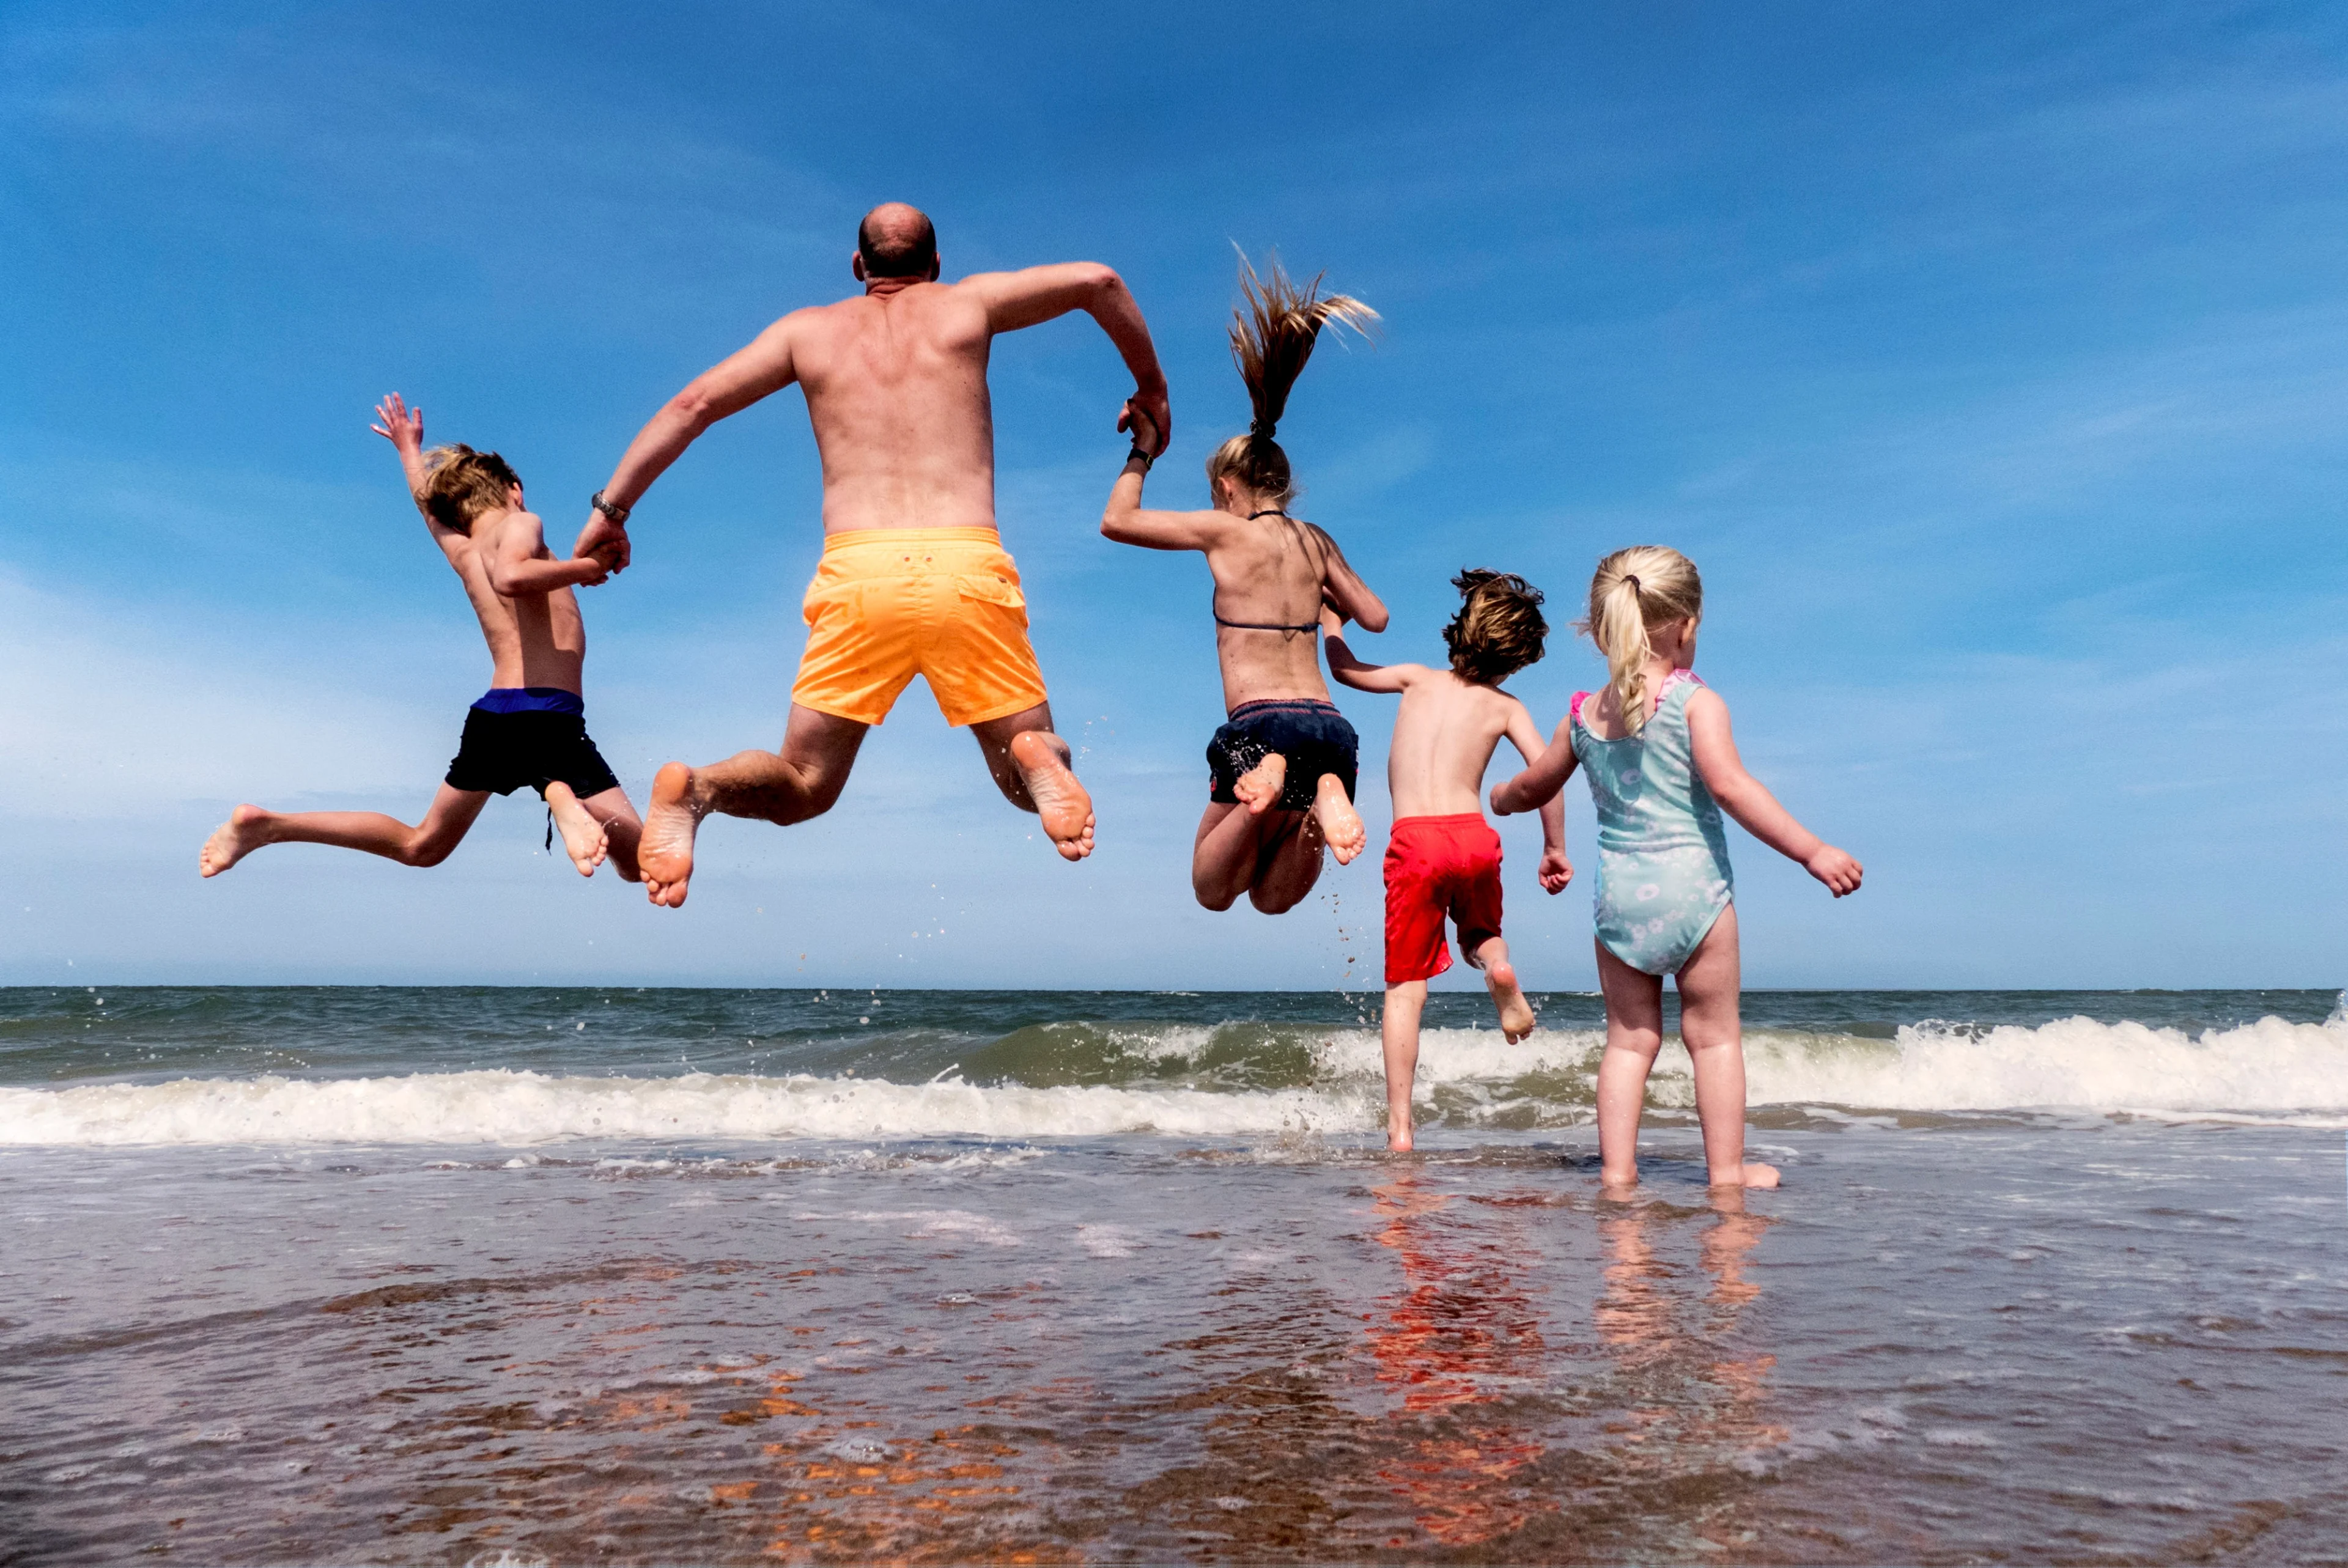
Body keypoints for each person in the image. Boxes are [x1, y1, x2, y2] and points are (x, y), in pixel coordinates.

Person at [571, 202, 1170, 907]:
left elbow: (693, 405)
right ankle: (1041, 758)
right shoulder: (968, 305)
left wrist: (609, 511)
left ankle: (700, 790)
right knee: (1021, 768)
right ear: (937, 264)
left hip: (860, 572)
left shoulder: (806, 333)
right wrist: (1151, 388)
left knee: (805, 784)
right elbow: (1098, 281)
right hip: (964, 564)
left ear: (859, 267)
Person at [1489, 545, 1863, 1189]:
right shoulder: (1695, 702)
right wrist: (1812, 850)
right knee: (1713, 1039)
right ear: (1686, 626)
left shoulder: (1582, 715)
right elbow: (1733, 788)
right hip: (1696, 894)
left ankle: (1617, 1175)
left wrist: (1501, 797)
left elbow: (1532, 787)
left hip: (1620, 902)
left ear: (1607, 625)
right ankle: (1724, 1174)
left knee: (1630, 1042)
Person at [199, 395, 643, 882]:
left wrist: (409, 453)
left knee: (422, 845)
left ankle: (271, 826)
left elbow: (427, 509)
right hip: (548, 713)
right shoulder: (523, 523)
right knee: (640, 861)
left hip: (496, 716)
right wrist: (588, 567)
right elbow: (512, 577)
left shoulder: (463, 549)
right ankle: (559, 791)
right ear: (515, 489)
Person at [1100, 257, 1389, 913]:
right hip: (1331, 730)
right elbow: (1375, 616)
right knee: (1271, 901)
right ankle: (1322, 800)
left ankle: (1276, 781)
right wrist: (1328, 613)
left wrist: (1143, 450)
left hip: (1260, 726)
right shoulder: (1317, 541)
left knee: (1211, 890)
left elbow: (1117, 521)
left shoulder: (1224, 530)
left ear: (1228, 487)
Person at [1325, 571, 1571, 1151]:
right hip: (1473, 837)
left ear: (1461, 631)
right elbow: (1548, 778)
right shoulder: (1505, 707)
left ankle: (1402, 1129)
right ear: (1514, 661)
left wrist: (1330, 618)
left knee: (1406, 989)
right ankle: (1499, 969)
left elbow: (1344, 669)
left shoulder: (1416, 679)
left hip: (1416, 843)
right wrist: (1554, 847)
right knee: (1482, 934)